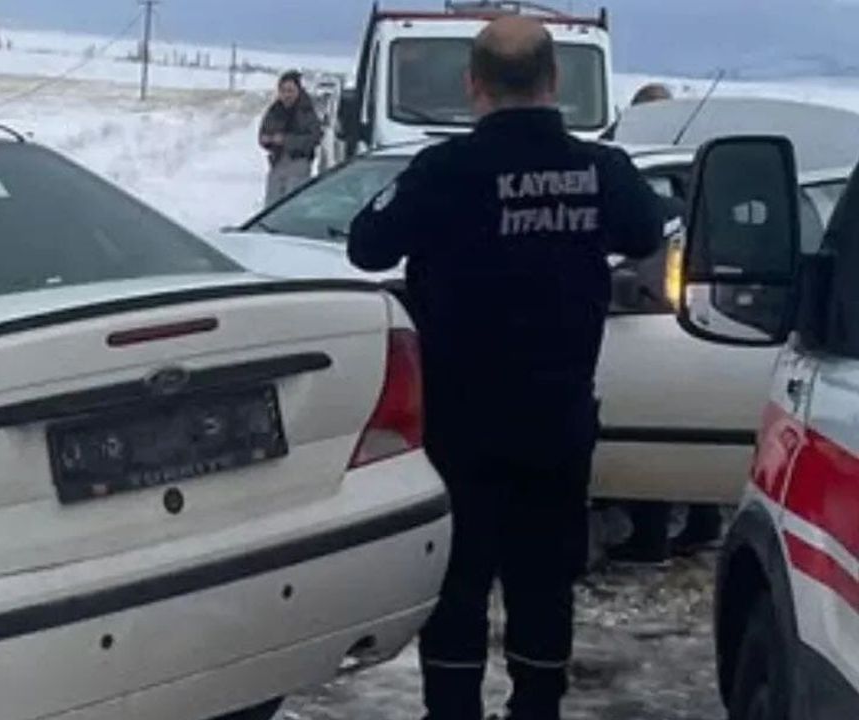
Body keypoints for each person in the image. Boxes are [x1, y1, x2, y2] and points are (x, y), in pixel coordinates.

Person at [348, 16, 662, 720]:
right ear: (555, 80)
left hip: (460, 422)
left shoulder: (443, 170)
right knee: (544, 576)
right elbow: (647, 230)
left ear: (473, 85)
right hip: (558, 417)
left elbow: (367, 246)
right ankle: (537, 706)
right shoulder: (601, 170)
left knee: (458, 579)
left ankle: (453, 707)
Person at [603, 81, 726, 565]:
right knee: (685, 424)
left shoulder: (642, 198)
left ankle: (651, 536)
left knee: (653, 422)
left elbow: (637, 270)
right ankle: (701, 522)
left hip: (655, 324)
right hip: (698, 324)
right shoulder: (688, 195)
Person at [259, 70, 323, 207]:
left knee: (293, 204)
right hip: (277, 163)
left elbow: (315, 138)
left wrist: (287, 140)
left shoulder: (306, 111)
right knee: (272, 206)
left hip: (298, 164)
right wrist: (267, 140)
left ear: (298, 90)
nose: (286, 95)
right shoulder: (274, 110)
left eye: (290, 91)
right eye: (283, 91)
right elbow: (263, 133)